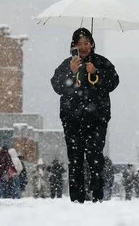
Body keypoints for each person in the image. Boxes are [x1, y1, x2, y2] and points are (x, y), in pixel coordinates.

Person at [50, 27, 120, 203]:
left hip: (97, 120)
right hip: (72, 119)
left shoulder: (101, 63)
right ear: (73, 45)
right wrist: (70, 73)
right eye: (79, 43)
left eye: (86, 43)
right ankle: (77, 198)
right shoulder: (67, 64)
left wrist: (96, 72)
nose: (83, 47)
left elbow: (114, 82)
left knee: (95, 157)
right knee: (75, 159)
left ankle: (97, 196)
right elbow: (57, 86)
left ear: (92, 44)